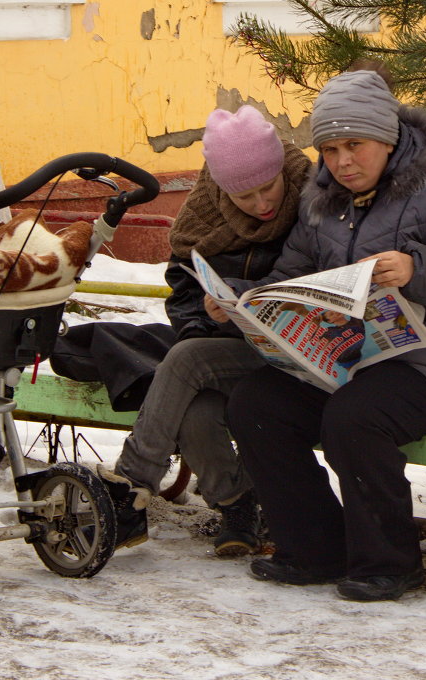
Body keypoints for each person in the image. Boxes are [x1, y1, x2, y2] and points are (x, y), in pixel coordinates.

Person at [212, 64, 426, 600]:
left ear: (388, 138)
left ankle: (389, 563)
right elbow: (292, 279)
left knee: (355, 416)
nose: (342, 162)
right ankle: (314, 549)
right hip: (352, 360)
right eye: (329, 150)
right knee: (255, 404)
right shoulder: (323, 203)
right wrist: (243, 302)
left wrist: (420, 269)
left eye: (355, 144)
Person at [91, 105, 312, 556]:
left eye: (268, 188)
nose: (262, 204)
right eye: (244, 197)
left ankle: (132, 484)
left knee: (186, 361)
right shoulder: (202, 217)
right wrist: (206, 317)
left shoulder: (312, 202)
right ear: (222, 190)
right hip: (232, 351)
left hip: (301, 353)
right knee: (195, 410)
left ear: (280, 171)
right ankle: (238, 505)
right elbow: (184, 291)